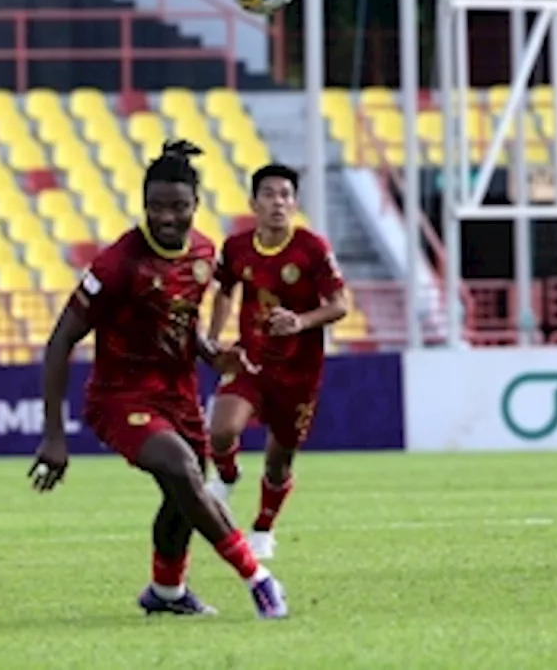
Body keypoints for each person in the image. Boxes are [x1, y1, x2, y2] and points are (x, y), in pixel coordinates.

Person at [28, 140, 289, 620]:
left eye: (178, 207)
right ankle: (259, 580)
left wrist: (212, 355)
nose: (167, 217)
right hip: (120, 397)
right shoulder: (115, 266)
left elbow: (181, 322)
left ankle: (166, 593)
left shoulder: (205, 253)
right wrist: (53, 435)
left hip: (180, 396)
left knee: (181, 495)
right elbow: (59, 342)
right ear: (142, 205)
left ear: (196, 205)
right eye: (155, 207)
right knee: (183, 471)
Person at [205, 164, 348, 559]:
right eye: (269, 194)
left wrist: (301, 321)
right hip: (251, 361)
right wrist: (214, 339)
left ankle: (263, 529)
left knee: (278, 463)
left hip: (298, 373)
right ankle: (228, 476)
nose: (278, 202)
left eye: (285, 195)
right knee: (220, 430)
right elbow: (224, 291)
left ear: (295, 203)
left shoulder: (312, 248)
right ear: (254, 203)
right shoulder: (236, 247)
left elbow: (340, 305)